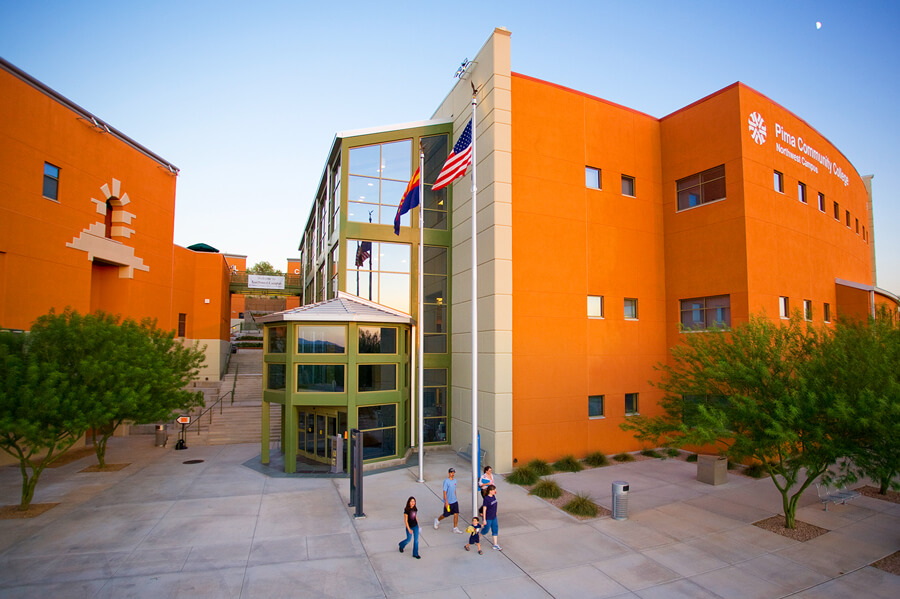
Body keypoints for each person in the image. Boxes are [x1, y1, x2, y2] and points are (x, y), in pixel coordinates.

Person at [434, 467, 464, 533]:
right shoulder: (446, 481)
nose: (452, 474)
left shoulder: (455, 481)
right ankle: (437, 520)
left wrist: (456, 497)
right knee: (446, 514)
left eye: (453, 472)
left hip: (454, 501)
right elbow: (444, 492)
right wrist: (446, 502)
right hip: (449, 502)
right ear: (449, 473)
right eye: (451, 472)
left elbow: (454, 490)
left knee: (456, 513)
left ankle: (455, 528)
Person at [481, 484, 501, 551]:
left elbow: (495, 505)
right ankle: (477, 538)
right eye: (494, 490)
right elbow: (484, 509)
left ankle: (495, 544)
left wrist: (495, 512)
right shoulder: (486, 499)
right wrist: (484, 519)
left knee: (495, 529)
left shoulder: (493, 496)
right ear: (490, 491)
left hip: (494, 516)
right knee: (486, 530)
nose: (495, 491)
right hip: (488, 517)